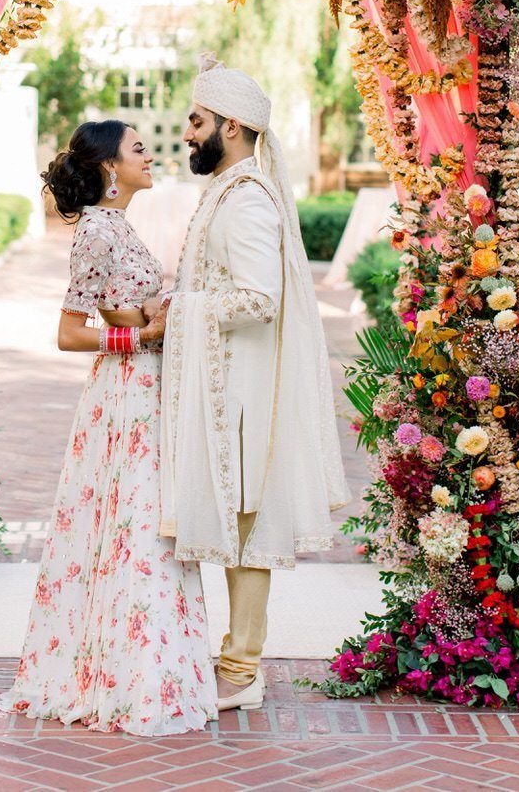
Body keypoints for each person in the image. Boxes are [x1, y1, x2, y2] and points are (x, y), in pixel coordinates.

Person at [0, 119, 216, 735]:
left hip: (145, 390)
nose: (151, 156)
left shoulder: (119, 225)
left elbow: (134, 298)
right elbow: (69, 332)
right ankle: (126, 677)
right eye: (138, 149)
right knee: (139, 526)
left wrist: (163, 307)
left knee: (147, 525)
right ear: (108, 168)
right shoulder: (96, 229)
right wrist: (139, 334)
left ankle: (144, 667)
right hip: (124, 394)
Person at [156, 56, 351, 712]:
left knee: (246, 522)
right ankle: (235, 657)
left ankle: (241, 665)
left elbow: (260, 298)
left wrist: (180, 310)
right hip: (226, 380)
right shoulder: (229, 189)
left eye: (196, 119)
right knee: (236, 522)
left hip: (241, 389)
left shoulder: (247, 200)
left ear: (230, 125)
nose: (186, 131)